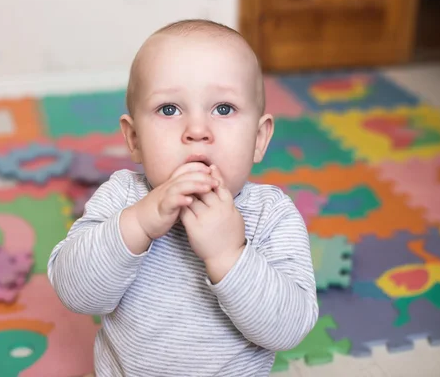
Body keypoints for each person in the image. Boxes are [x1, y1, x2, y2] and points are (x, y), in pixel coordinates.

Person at [48, 19, 318, 376]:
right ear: (134, 139)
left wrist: (229, 255)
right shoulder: (122, 198)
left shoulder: (272, 215)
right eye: (169, 109)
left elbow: (289, 329)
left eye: (223, 108)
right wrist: (139, 224)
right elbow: (76, 293)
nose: (196, 131)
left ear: (258, 138)